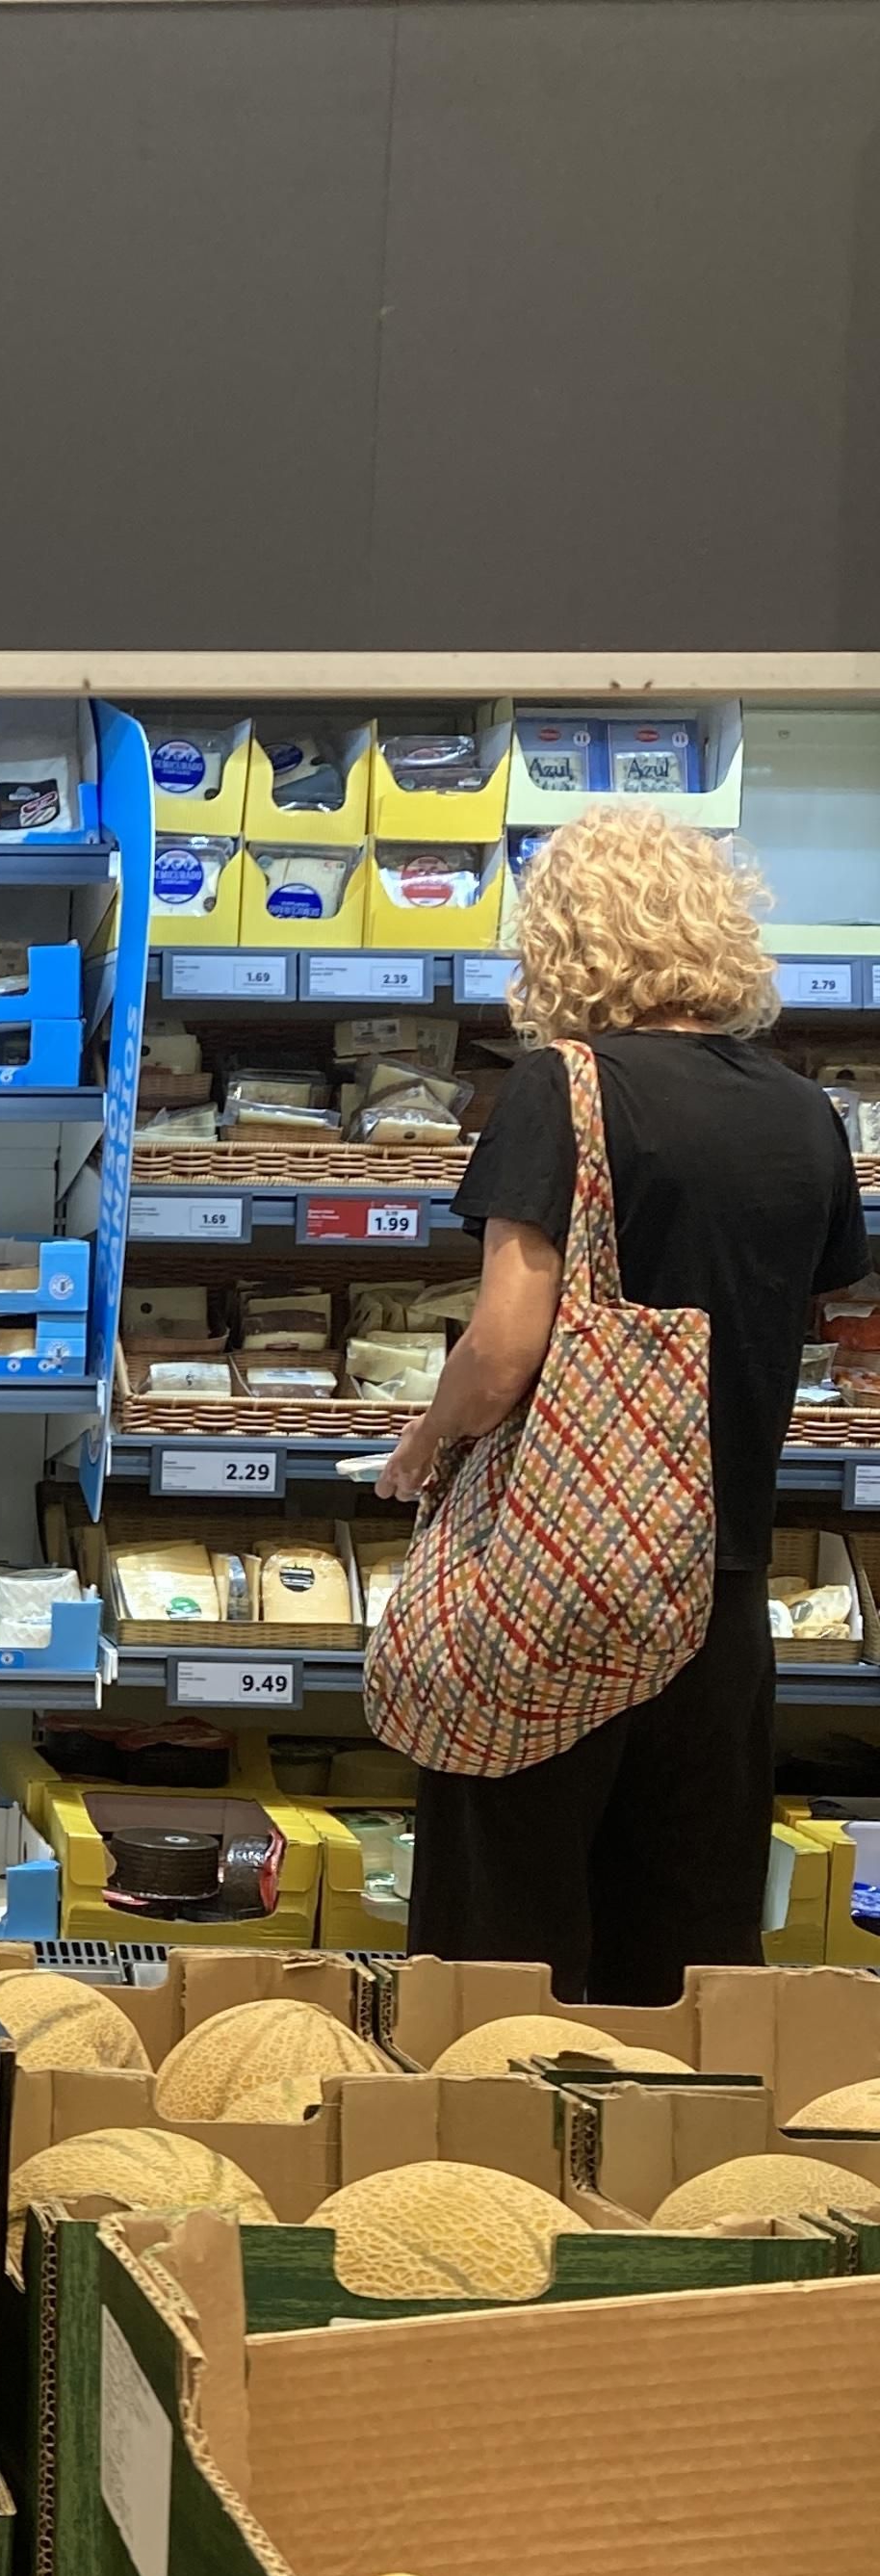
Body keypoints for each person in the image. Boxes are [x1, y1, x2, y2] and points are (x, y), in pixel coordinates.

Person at [377, 805, 868, 2001]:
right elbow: (844, 1326)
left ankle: (487, 2180)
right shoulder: (805, 1113)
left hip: (561, 1585)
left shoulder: (571, 1089)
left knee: (500, 1951)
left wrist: (424, 1439)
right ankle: (662, 2181)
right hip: (723, 1598)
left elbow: (503, 1347)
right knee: (682, 1958)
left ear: (564, 943)